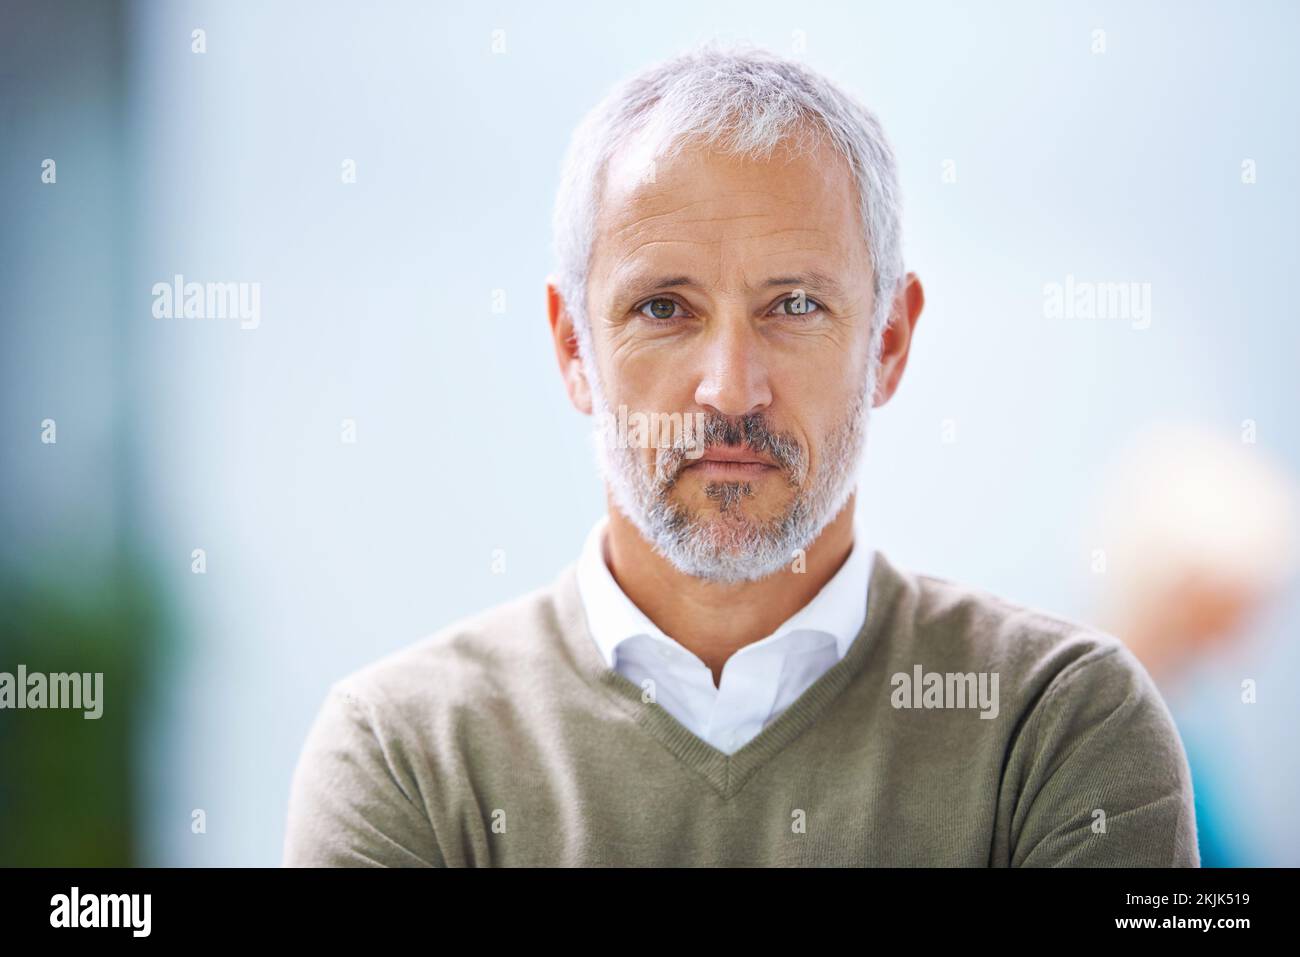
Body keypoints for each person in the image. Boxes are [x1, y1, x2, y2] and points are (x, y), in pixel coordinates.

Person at [282, 40, 1198, 867]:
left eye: (794, 305)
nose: (730, 388)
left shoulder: (1059, 727)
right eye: (664, 308)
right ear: (573, 350)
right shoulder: (404, 752)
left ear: (888, 342)